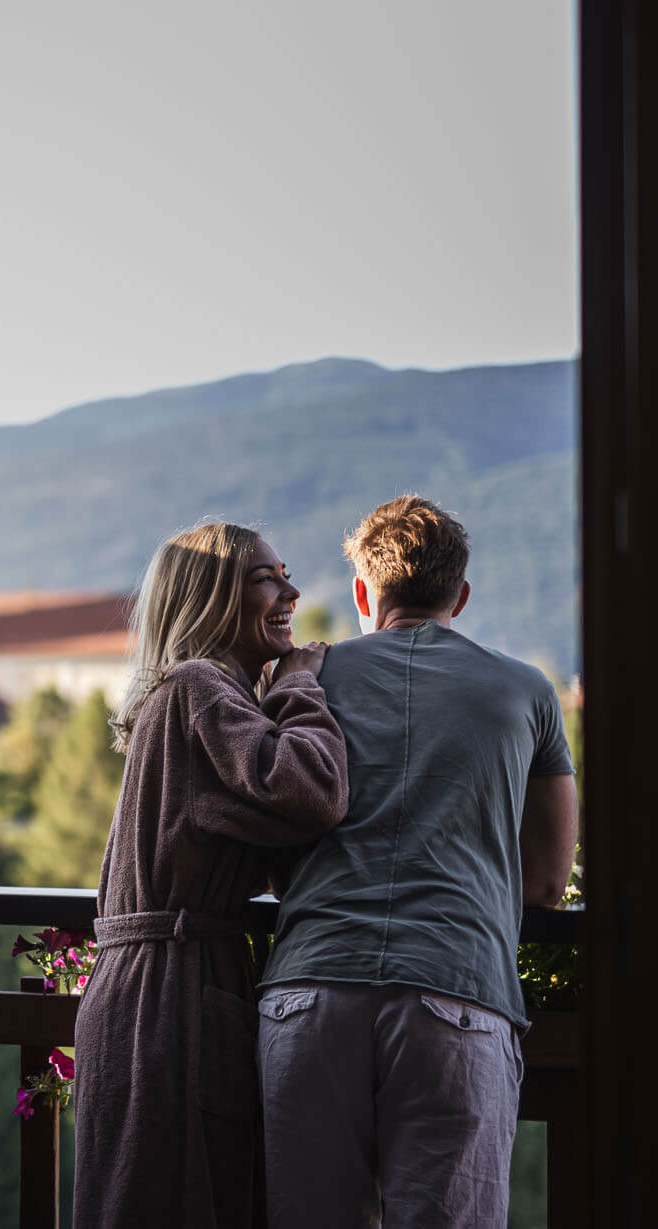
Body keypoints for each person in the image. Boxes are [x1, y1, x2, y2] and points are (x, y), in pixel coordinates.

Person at [255, 496, 578, 1228]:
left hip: (309, 992)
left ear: (365, 593)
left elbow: (273, 854)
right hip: (456, 994)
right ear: (459, 595)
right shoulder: (527, 692)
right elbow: (548, 881)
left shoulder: (304, 680)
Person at [74, 521, 350, 1228]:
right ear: (212, 596)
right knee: (186, 1193)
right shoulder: (201, 687)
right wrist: (298, 689)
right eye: (267, 577)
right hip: (175, 998)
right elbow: (312, 788)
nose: (290, 591)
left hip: (151, 992)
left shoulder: (193, 695)